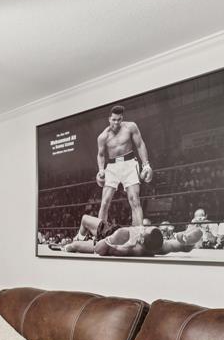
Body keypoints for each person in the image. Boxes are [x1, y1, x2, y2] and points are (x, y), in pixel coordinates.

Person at [95, 105, 152, 228]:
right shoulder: (103, 136)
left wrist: (146, 165)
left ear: (122, 118)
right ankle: (99, 234)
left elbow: (140, 145)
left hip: (129, 163)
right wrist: (101, 170)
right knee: (104, 202)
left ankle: (139, 232)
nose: (116, 122)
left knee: (134, 199)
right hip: (112, 166)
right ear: (109, 119)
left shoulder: (130, 127)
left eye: (119, 119)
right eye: (114, 120)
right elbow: (100, 155)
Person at [64, 214, 202, 258]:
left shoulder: (127, 248)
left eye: (143, 231)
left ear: (140, 239)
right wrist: (186, 239)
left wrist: (111, 239)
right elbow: (183, 248)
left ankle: (75, 240)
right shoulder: (160, 245)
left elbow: (98, 250)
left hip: (110, 237)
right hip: (117, 232)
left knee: (73, 245)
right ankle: (79, 238)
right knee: (84, 219)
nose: (142, 228)